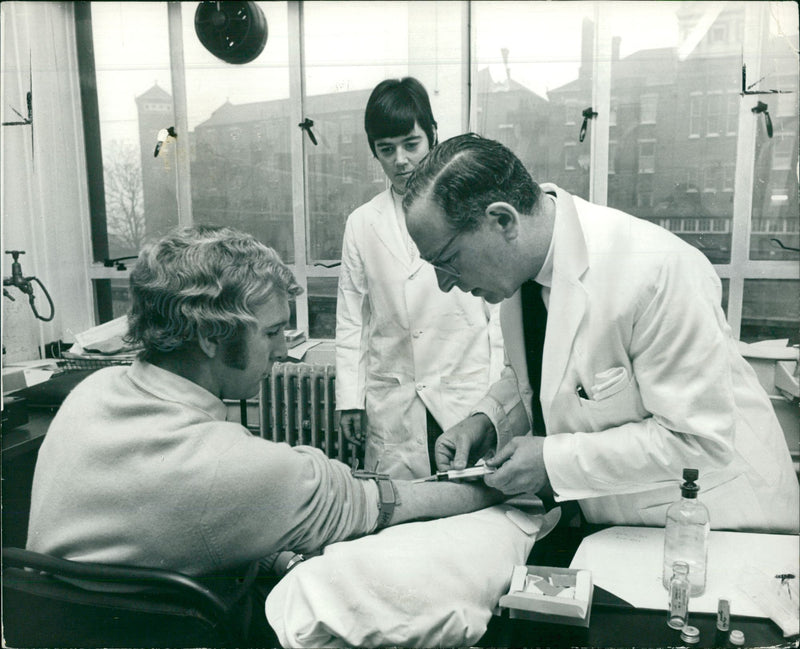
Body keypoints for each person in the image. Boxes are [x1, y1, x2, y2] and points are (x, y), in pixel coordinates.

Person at [26, 225, 506, 582]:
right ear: (212, 336)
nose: (283, 351)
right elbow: (384, 501)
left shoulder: (89, 394)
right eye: (273, 332)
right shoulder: (231, 467)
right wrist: (503, 488)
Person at [402, 133, 799, 533]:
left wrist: (551, 461)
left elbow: (699, 441)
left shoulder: (655, 271)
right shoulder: (522, 276)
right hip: (624, 524)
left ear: (503, 220)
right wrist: (485, 421)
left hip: (726, 524)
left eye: (448, 260)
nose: (444, 284)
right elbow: (548, 379)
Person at [335, 78, 504, 480]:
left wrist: (497, 404)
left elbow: (497, 316)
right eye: (386, 149)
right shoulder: (362, 223)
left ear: (432, 136)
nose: (401, 161)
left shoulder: (473, 210)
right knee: (402, 515)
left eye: (411, 144)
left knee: (472, 507)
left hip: (465, 394)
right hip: (395, 403)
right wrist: (350, 400)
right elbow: (352, 318)